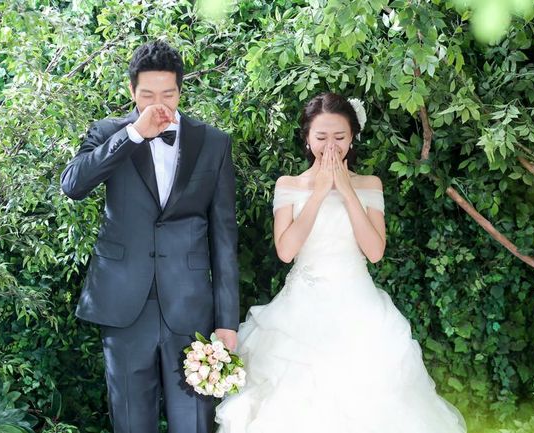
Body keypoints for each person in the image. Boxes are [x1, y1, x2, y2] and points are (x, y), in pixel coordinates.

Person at [214, 93, 466, 433]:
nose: (330, 146)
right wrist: (319, 192)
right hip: (300, 310)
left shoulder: (369, 185)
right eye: (321, 137)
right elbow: (286, 251)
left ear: (352, 138)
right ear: (307, 138)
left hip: (359, 306)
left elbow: (374, 251)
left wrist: (346, 191)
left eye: (339, 137)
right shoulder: (289, 185)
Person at [60, 40, 239, 433]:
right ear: (131, 90)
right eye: (147, 95)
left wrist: (228, 321)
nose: (159, 104)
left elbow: (225, 237)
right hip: (124, 305)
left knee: (194, 425)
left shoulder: (213, 142)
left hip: (190, 307)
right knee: (130, 423)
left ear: (181, 90)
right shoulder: (108, 132)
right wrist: (134, 135)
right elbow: (73, 184)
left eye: (168, 94)